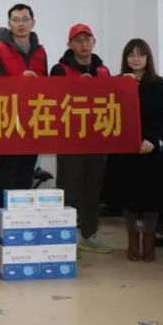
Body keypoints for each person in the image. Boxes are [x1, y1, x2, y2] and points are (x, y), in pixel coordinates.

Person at [50, 23, 113, 254]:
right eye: (78, 40)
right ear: (70, 44)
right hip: (70, 140)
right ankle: (66, 238)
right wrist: (78, 87)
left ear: (94, 42)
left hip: (96, 138)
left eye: (87, 39)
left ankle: (89, 235)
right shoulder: (59, 69)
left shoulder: (103, 71)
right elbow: (52, 100)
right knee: (69, 189)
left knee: (93, 190)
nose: (84, 44)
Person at [0, 3, 48, 202]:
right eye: (16, 20)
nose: (21, 24)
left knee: (25, 176)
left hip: (33, 121)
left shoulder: (40, 52)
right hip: (8, 121)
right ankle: (1, 218)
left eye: (25, 19)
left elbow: (47, 87)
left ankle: (21, 218)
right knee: (7, 176)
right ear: (9, 23)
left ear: (33, 23)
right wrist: (19, 82)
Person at [117, 38, 163, 262]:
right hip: (126, 148)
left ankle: (149, 240)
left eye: (140, 54)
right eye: (131, 55)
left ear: (148, 58)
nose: (136, 59)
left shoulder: (158, 84)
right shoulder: (119, 82)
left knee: (151, 196)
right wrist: (121, 84)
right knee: (128, 195)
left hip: (150, 147)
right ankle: (132, 239)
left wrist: (151, 139)